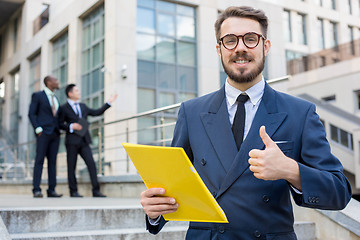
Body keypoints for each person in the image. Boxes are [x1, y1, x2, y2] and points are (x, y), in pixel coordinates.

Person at [140, 6, 352, 239]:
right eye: (230, 40)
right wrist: (155, 211)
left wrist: (291, 170)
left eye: (251, 39)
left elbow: (339, 192)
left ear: (266, 46)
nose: (240, 48)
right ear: (219, 50)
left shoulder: (300, 113)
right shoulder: (191, 112)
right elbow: (173, 186)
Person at [58, 84, 117, 197]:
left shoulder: (83, 106)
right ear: (70, 94)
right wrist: (71, 126)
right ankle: (73, 191)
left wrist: (108, 103)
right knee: (71, 167)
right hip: (71, 142)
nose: (79, 92)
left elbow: (96, 112)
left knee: (91, 164)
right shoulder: (63, 108)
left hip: (84, 141)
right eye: (76, 90)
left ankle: (96, 190)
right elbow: (60, 124)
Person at [28, 76, 63, 198]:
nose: (58, 82)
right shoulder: (38, 96)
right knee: (39, 161)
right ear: (48, 82)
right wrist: (38, 129)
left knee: (53, 162)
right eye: (56, 80)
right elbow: (32, 113)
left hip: (55, 134)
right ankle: (36, 189)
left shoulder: (56, 98)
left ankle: (51, 189)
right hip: (43, 133)